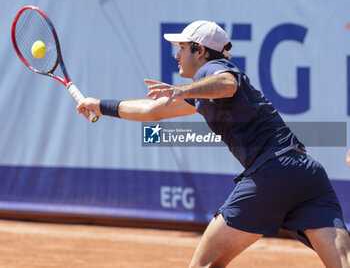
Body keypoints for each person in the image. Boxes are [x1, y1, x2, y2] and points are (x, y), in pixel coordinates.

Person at [77, 21, 350, 267]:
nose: (176, 56)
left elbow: (227, 84)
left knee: (203, 266)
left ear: (200, 51)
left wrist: (182, 89)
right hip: (306, 172)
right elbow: (152, 111)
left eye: (182, 48)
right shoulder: (203, 89)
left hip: (272, 170)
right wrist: (100, 106)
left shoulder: (213, 70)